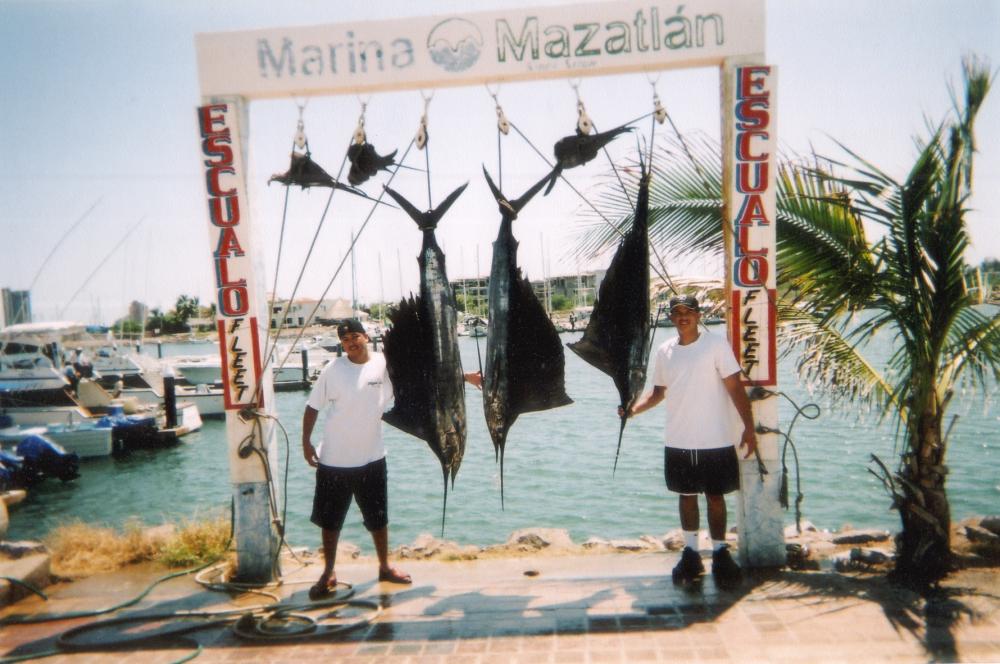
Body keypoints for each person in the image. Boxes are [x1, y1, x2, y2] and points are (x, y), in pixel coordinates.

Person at [623, 295, 757, 586]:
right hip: (678, 438)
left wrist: (749, 428)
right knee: (686, 496)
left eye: (688, 312)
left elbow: (735, 388)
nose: (683, 317)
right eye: (677, 312)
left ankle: (721, 551)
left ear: (698, 315)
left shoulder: (716, 345)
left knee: (715, 497)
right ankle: (691, 552)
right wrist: (631, 411)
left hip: (716, 437)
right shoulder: (665, 351)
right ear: (671, 317)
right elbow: (657, 393)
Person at [301, 318, 411, 598]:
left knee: (378, 518)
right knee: (330, 520)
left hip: (373, 458)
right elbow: (312, 407)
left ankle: (385, 567)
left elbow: (421, 376)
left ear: (365, 336)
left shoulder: (384, 364)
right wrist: (306, 442)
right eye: (344, 340)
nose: (350, 342)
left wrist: (466, 376)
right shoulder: (333, 369)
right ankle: (328, 572)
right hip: (333, 461)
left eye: (354, 336)